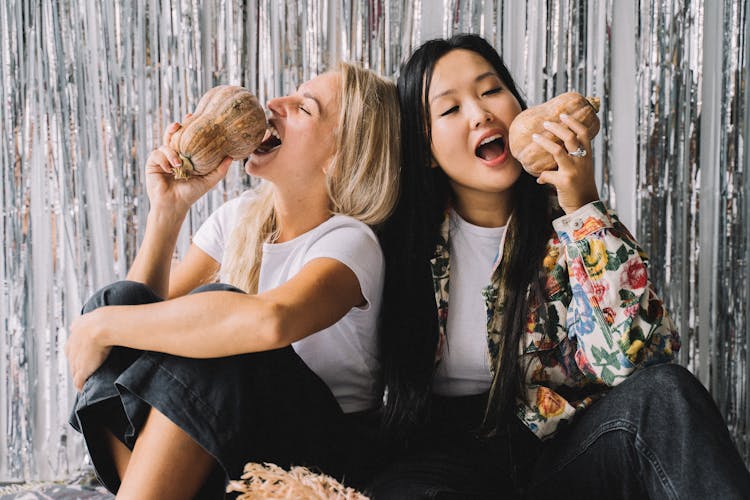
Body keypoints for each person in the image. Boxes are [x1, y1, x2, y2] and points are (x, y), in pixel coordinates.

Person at [370, 33, 750, 499]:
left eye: (491, 90)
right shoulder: (397, 240)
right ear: (425, 150)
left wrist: (583, 208)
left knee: (666, 393)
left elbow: (634, 361)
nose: (481, 114)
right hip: (438, 461)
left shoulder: (569, 223)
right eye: (450, 109)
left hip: (559, 451)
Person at [65, 61, 400, 499]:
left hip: (321, 456)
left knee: (221, 320)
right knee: (122, 298)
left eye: (304, 108)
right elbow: (139, 333)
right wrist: (168, 212)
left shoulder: (350, 241)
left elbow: (271, 322)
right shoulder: (240, 218)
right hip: (235, 444)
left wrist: (101, 327)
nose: (274, 104)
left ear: (340, 156)